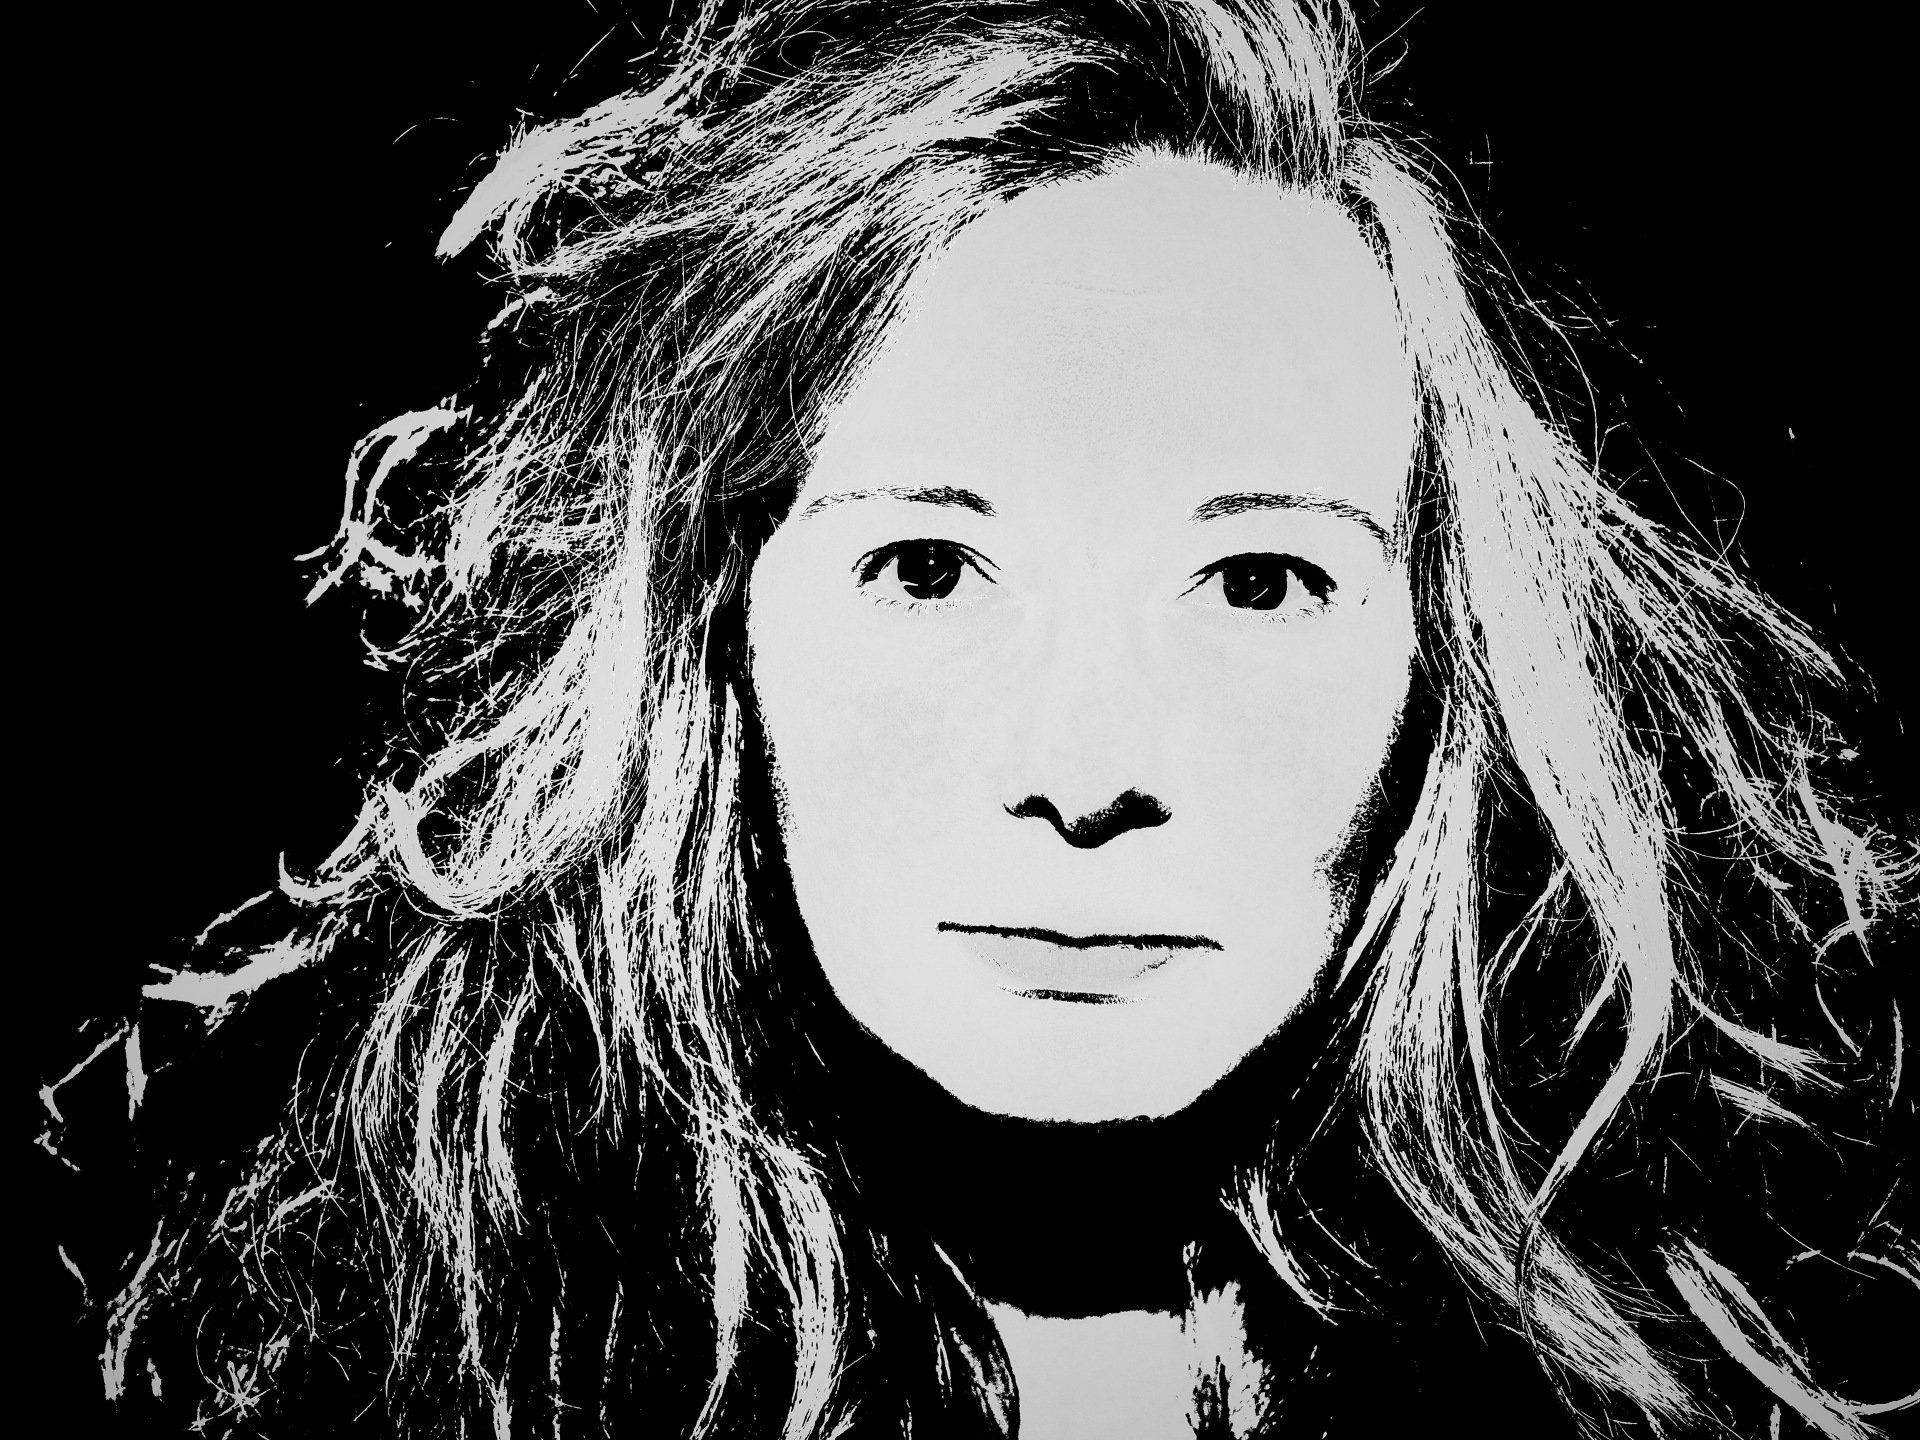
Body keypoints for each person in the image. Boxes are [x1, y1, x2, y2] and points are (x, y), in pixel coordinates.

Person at [45, 1, 1913, 1435]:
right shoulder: (322, 1358)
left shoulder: (1749, 1365)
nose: (1088, 774)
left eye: (1260, 582)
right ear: (713, 641)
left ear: (1450, 671)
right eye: (931, 570)